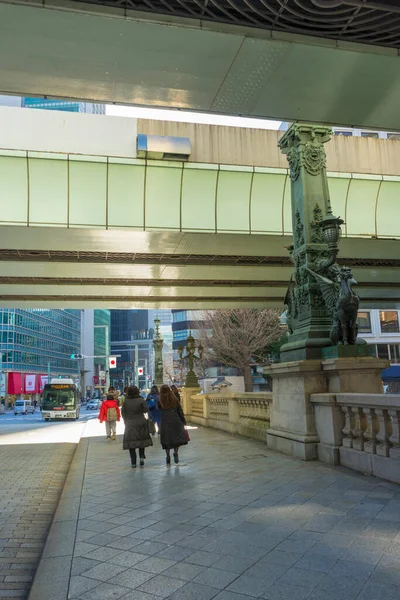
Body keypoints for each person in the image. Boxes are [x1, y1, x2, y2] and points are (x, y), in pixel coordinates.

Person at [121, 385, 153, 468]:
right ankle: (141, 457)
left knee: (131, 442)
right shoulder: (141, 399)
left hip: (130, 423)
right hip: (140, 421)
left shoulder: (126, 401)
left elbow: (123, 412)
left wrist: (125, 420)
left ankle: (133, 462)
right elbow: (145, 410)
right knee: (141, 440)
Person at [159, 384, 188, 466]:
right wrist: (183, 420)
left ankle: (167, 456)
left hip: (165, 421)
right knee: (176, 438)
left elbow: (158, 408)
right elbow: (180, 410)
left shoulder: (160, 399)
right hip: (175, 420)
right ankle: (175, 452)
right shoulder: (174, 398)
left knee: (166, 439)